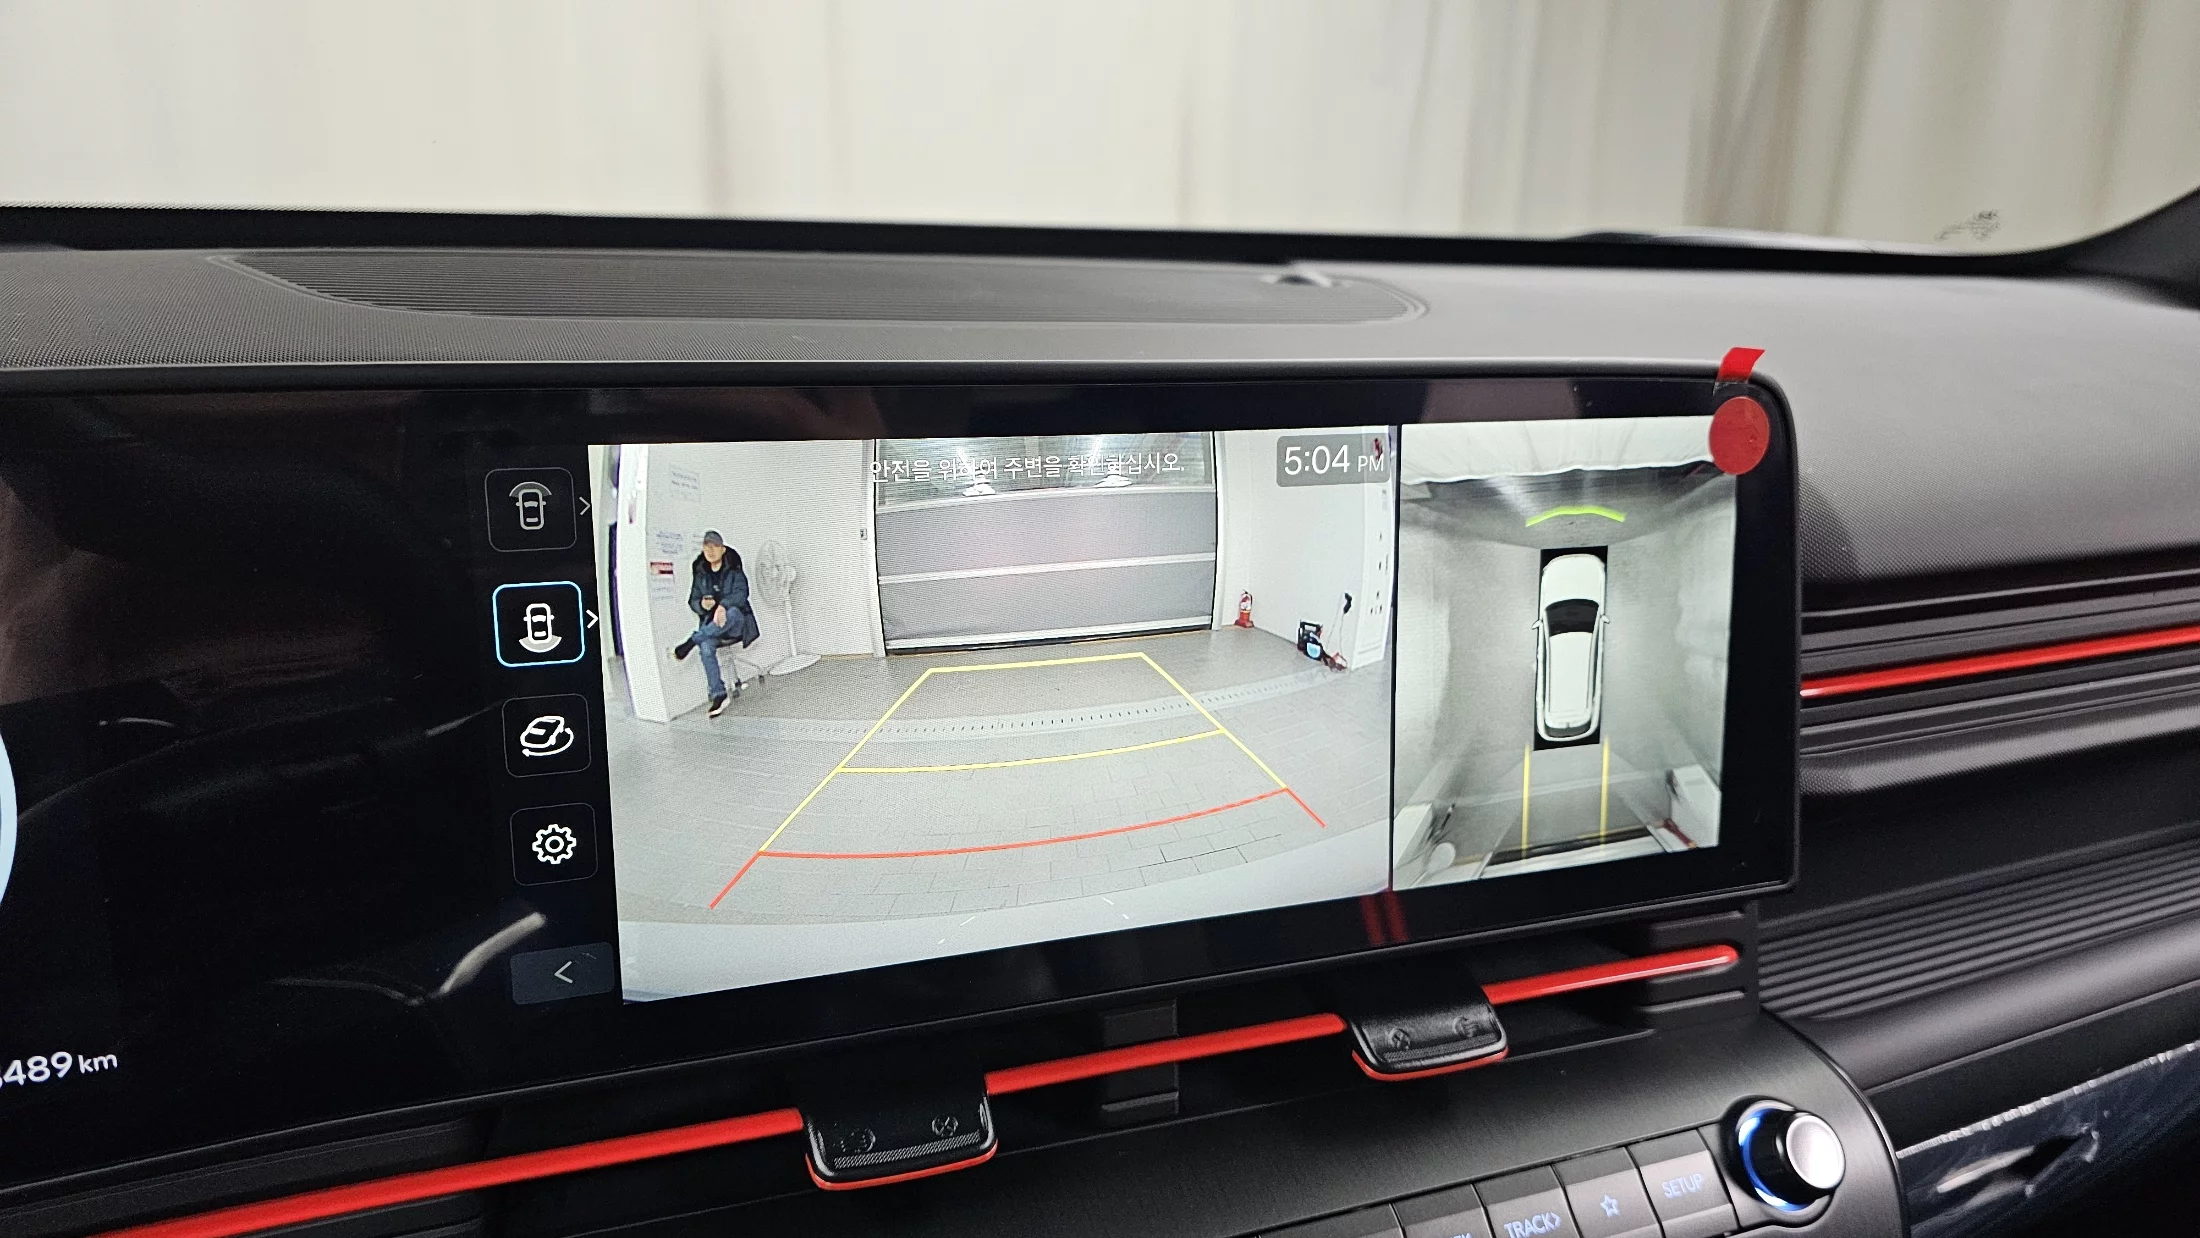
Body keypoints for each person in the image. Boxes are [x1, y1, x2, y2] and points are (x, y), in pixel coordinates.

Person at [670, 531, 759, 717]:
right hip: (713, 628)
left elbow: (742, 594)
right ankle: (718, 694)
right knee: (705, 646)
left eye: (714, 546)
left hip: (735, 625)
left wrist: (723, 606)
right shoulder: (701, 574)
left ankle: (691, 641)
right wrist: (702, 605)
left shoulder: (734, 568)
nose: (710, 551)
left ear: (723, 549)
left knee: (732, 613)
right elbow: (693, 600)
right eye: (706, 547)